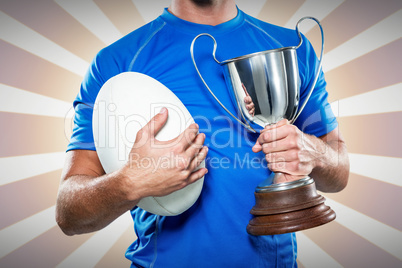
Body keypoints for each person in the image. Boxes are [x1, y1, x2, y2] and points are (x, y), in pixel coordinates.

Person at [56, 0, 349, 267]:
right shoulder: (117, 62)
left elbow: (339, 174)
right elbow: (69, 214)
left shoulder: (291, 48)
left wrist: (315, 152)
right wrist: (129, 182)